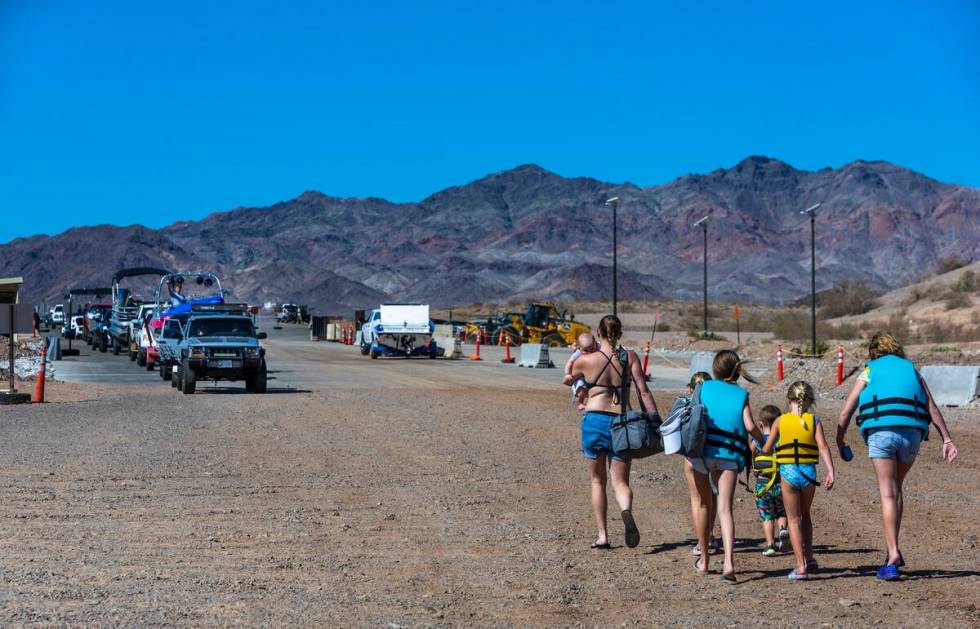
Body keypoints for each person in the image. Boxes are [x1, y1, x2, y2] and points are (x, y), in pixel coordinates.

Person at [836, 332, 959, 581]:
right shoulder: (911, 369)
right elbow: (931, 407)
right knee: (896, 489)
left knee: (887, 492)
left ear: (874, 351)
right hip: (911, 436)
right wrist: (947, 439)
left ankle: (892, 555)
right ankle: (894, 549)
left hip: (882, 433)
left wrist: (840, 441)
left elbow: (846, 411)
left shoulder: (868, 371)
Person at [569, 315, 659, 550]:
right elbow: (643, 391)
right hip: (623, 423)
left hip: (595, 419)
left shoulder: (587, 360)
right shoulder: (630, 358)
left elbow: (569, 378)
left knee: (598, 481)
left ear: (598, 332)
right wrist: (655, 421)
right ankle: (626, 511)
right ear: (619, 334)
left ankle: (602, 536)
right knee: (620, 481)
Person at [690, 350, 764, 584]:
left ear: (715, 369)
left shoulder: (705, 387)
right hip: (729, 455)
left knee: (703, 504)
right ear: (736, 370)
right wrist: (764, 440)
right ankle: (729, 563)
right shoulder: (742, 394)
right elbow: (750, 425)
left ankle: (704, 560)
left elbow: (692, 414)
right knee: (725, 509)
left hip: (703, 453)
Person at [761, 382, 835, 580]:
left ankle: (800, 566)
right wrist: (831, 472)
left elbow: (767, 449)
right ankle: (810, 558)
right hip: (809, 473)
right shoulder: (814, 421)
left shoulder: (779, 421)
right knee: (806, 515)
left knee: (793, 520)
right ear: (810, 401)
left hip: (789, 473)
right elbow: (823, 446)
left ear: (788, 399)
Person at [678, 372, 721, 558]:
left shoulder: (686, 404)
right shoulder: (717, 406)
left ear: (690, 388)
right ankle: (710, 535)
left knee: (698, 500)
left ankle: (700, 542)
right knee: (713, 496)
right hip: (716, 455)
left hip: (693, 458)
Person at [751, 404, 789, 556]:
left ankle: (770, 545)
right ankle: (782, 531)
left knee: (767, 515)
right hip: (781, 482)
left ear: (760, 424)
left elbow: (751, 452)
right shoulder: (781, 440)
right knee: (782, 511)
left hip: (763, 484)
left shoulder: (758, 440)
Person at [563, 332, 597, 411]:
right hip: (580, 376)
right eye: (585, 350)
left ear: (595, 343)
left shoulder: (598, 348)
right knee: (581, 388)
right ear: (579, 348)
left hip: (591, 374)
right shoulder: (577, 353)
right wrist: (567, 374)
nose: (589, 352)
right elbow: (569, 363)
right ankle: (579, 402)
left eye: (592, 349)